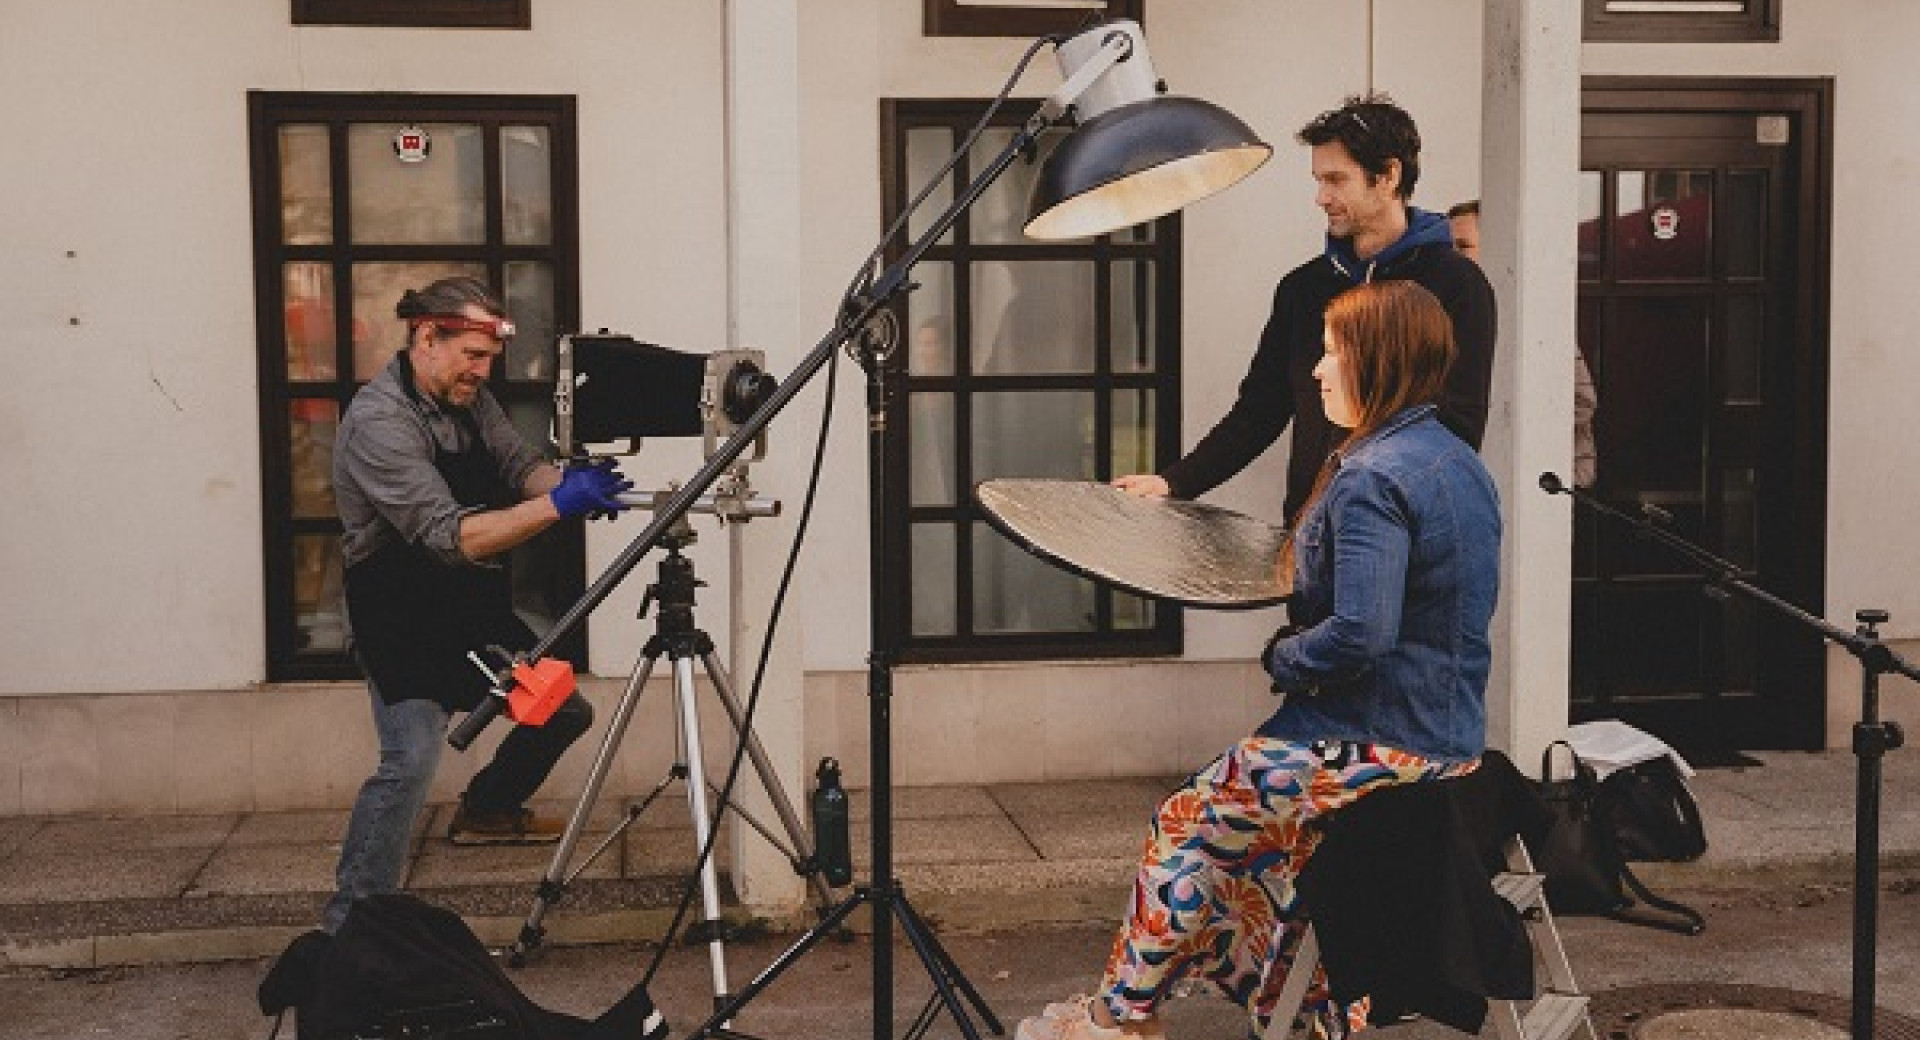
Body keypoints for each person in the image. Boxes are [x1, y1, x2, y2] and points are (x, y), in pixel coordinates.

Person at [1018, 281, 1501, 1040]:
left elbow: (1361, 633)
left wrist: (1286, 655)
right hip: (1446, 744)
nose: (1316, 369)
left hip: (1371, 746)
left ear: (1380, 358)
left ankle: (1119, 1020)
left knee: (1182, 824)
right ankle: (1300, 1015)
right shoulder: (1455, 460)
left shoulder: (1373, 478)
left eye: (1333, 351)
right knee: (1269, 861)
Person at [324, 275, 633, 933]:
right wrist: (558, 506)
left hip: (465, 609)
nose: (482, 371)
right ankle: (350, 925)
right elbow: (450, 535)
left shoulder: (469, 401)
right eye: (471, 354)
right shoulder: (380, 423)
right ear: (427, 338)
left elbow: (520, 465)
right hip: (398, 614)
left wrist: (577, 484)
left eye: (488, 358)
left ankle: (488, 808)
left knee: (562, 710)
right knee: (409, 759)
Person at [1115, 93, 1496, 524]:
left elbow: (1458, 426)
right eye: (1318, 179)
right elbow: (1258, 411)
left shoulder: (1456, 283)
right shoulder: (1302, 289)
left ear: (1389, 175)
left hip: (1405, 534)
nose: (1321, 196)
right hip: (1308, 535)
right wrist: (1174, 482)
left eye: (1336, 180)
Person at [1447, 199, 1598, 487]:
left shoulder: (1534, 318)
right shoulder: (1451, 315)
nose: (1453, 259)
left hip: (1545, 487)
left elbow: (1581, 401)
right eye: (1449, 248)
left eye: (1463, 246)